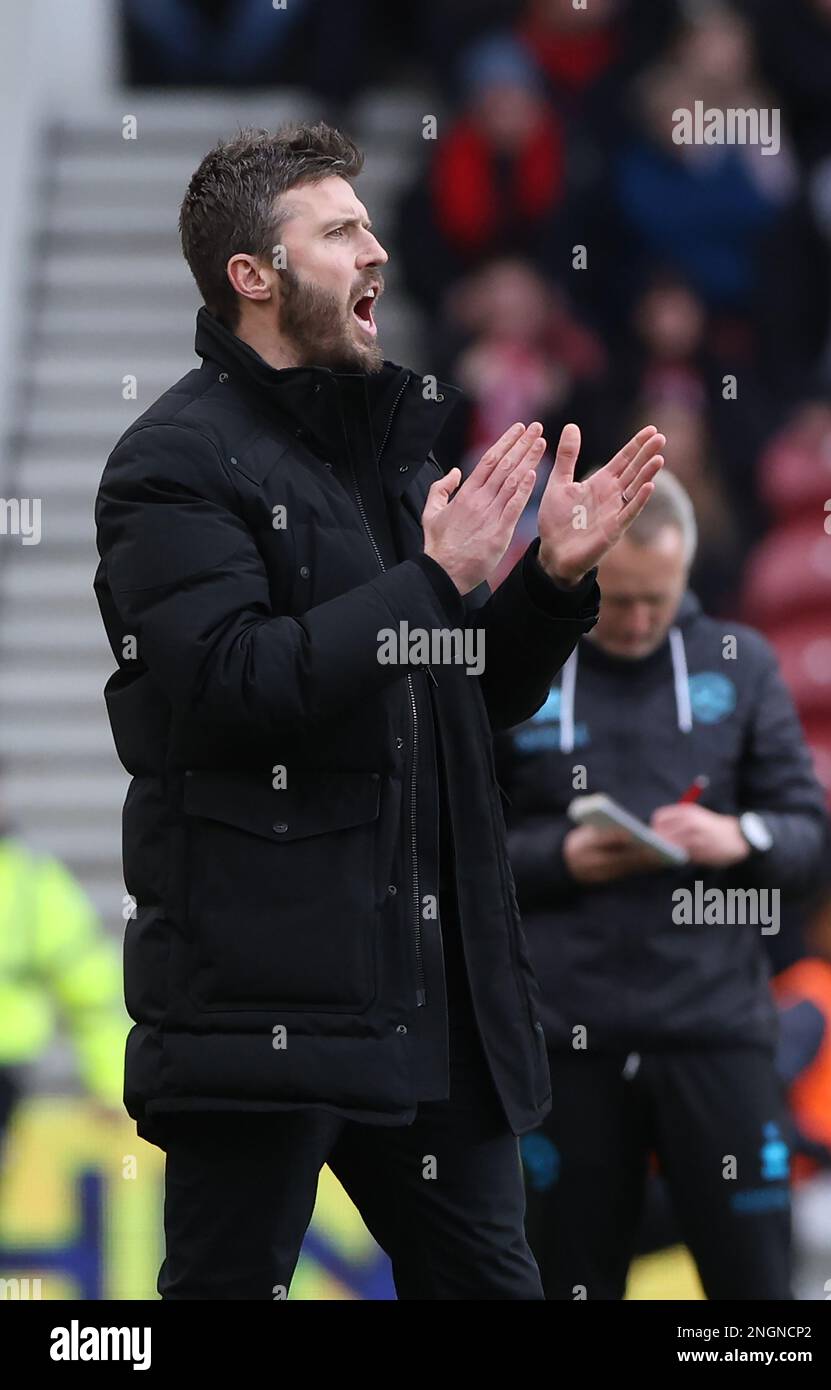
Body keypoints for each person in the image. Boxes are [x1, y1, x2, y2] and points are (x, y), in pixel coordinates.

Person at [93, 121, 665, 1300]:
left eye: (369, 225)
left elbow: (463, 702)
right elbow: (236, 685)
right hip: (263, 1009)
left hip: (429, 1004)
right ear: (254, 276)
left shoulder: (387, 463)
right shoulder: (172, 464)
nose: (377, 254)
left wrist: (550, 584)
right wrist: (433, 578)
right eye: (341, 229)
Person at [497, 469, 829, 1300]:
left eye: (660, 597)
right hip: (568, 1037)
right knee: (567, 1281)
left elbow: (805, 833)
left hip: (715, 1031)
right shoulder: (521, 667)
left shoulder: (741, 662)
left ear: (687, 569)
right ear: (587, 566)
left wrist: (735, 835)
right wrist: (560, 859)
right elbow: (459, 849)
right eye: (622, 599)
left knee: (755, 1295)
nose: (641, 620)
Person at [0, 798, 127, 1163]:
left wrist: (110, 1083)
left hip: (6, 1067)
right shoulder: (31, 878)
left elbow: (90, 991)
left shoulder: (31, 880)